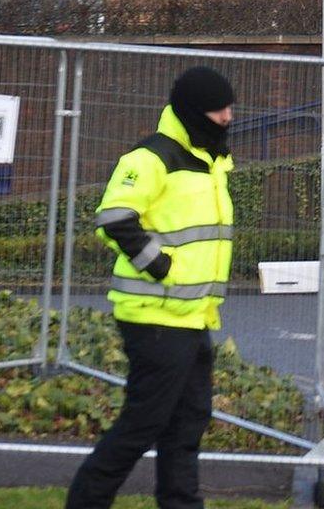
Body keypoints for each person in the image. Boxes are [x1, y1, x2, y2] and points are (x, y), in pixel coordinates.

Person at [67, 67, 237, 509]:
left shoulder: (209, 161)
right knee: (144, 423)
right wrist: (160, 267)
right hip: (155, 317)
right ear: (195, 111)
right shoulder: (151, 158)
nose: (228, 116)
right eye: (220, 108)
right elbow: (114, 217)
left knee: (188, 421)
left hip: (191, 316)